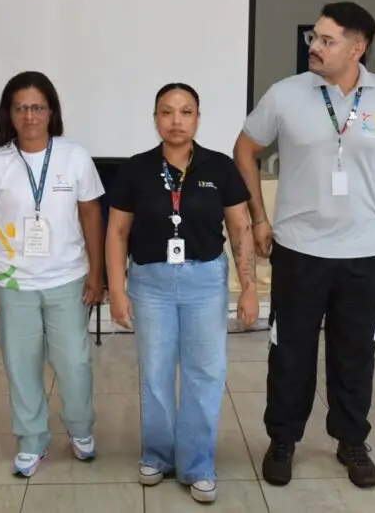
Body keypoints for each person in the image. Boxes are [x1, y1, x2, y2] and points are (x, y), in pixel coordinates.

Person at [234, 2, 375, 489]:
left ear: (357, 47)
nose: (314, 47)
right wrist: (260, 215)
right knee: (290, 351)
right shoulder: (286, 94)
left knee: (356, 351)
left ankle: (351, 440)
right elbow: (246, 149)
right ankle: (283, 439)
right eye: (313, 38)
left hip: (365, 251)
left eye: (326, 40)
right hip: (299, 249)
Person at [107, 83, 259, 504]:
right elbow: (117, 232)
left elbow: (241, 229)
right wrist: (116, 290)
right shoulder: (136, 169)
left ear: (198, 118)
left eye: (186, 112)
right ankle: (157, 454)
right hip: (150, 282)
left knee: (204, 373)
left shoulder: (220, 167)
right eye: (167, 112)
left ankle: (197, 464)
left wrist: (249, 288)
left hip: (205, 281)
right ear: (155, 118)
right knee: (155, 372)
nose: (176, 121)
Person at [0, 71, 105, 479]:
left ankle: (80, 430)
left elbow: (91, 215)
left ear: (51, 112)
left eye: (37, 107)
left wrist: (97, 274)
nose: (29, 115)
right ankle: (32, 439)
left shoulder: (74, 156)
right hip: (12, 283)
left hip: (67, 278)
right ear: (10, 114)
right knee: (21, 365)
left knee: (74, 362)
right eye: (21, 107)